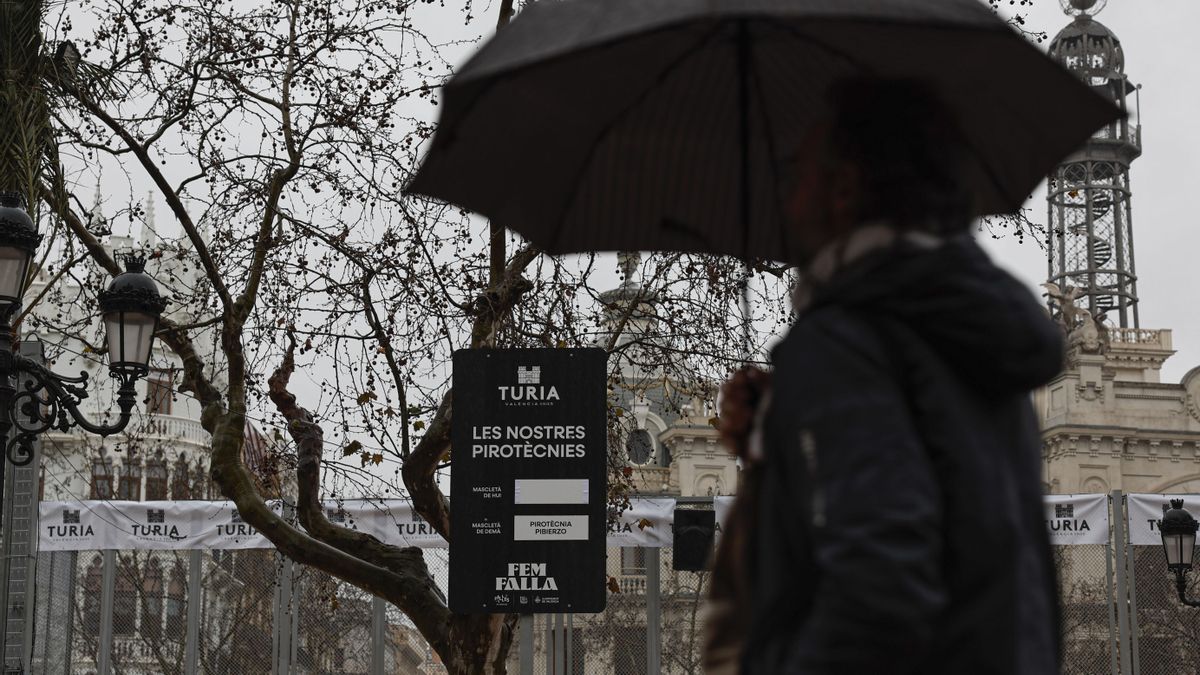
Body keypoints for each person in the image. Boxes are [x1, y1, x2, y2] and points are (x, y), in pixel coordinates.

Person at [703, 79, 1063, 674]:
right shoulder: (971, 330)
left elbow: (880, 585)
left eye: (800, 171)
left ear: (844, 190)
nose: (788, 195)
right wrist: (782, 435)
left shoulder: (841, 341)